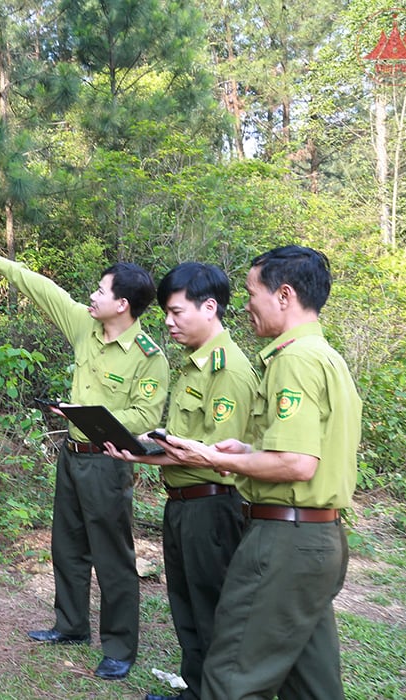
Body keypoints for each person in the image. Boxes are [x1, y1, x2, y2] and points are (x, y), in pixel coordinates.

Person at [134, 245, 361, 699]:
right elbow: (305, 451)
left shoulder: (293, 360)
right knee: (311, 682)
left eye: (253, 292)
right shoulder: (324, 355)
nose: (247, 304)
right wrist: (248, 449)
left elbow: (296, 464)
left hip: (285, 542)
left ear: (284, 295)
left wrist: (214, 459)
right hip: (320, 539)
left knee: (231, 677)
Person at [0, 243, 168, 681]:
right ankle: (71, 625)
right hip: (72, 456)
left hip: (109, 461)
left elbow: (144, 418)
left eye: (101, 291)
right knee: (67, 545)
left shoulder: (150, 358)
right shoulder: (85, 325)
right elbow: (46, 291)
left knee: (113, 557)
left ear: (123, 304)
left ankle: (119, 647)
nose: (92, 297)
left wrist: (89, 417)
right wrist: (2, 264)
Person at [105, 262, 257, 700]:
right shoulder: (195, 365)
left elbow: (212, 455)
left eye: (177, 312)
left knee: (212, 610)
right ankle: (194, 691)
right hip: (184, 503)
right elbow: (185, 443)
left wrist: (145, 454)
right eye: (166, 315)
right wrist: (143, 449)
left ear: (209, 308)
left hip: (212, 506)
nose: (169, 323)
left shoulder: (226, 371)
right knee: (187, 607)